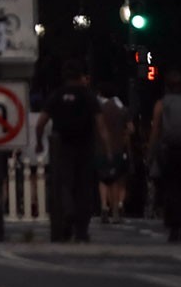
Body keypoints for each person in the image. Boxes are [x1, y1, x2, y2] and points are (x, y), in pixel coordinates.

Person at [34, 61, 108, 243]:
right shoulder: (88, 96)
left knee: (63, 184)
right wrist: (106, 148)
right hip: (85, 146)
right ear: (80, 77)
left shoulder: (57, 95)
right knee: (84, 188)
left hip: (62, 147)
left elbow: (41, 122)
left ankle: (67, 212)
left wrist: (39, 142)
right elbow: (100, 124)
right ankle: (81, 229)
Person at [147, 70, 181, 243]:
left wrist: (150, 153)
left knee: (171, 189)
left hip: (169, 151)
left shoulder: (163, 103)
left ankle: (174, 226)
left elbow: (156, 130)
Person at [96, 86, 129, 223]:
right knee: (115, 180)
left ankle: (104, 206)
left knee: (103, 179)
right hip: (118, 148)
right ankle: (115, 210)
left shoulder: (99, 110)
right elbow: (130, 128)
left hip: (101, 148)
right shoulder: (121, 110)